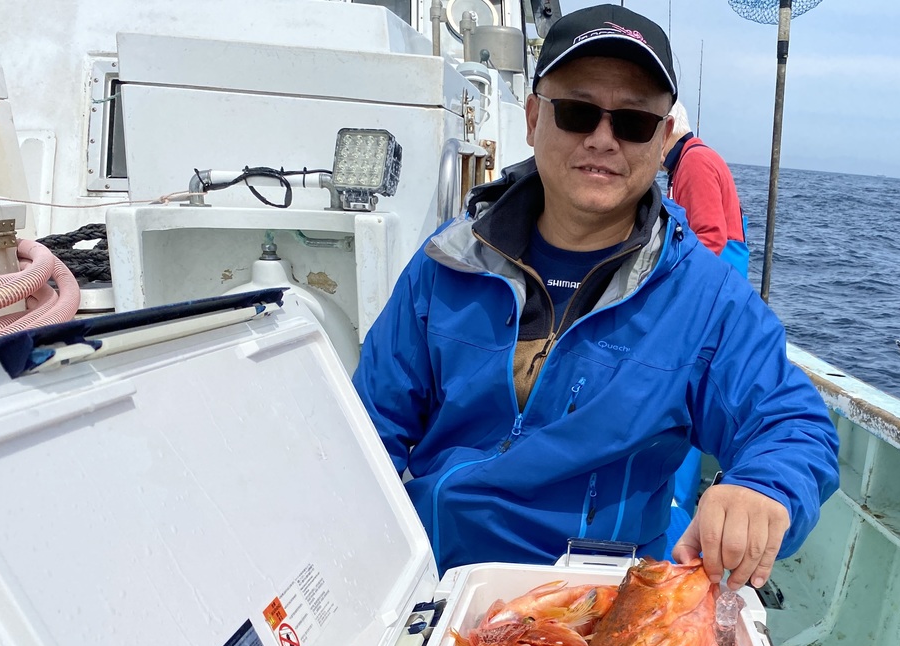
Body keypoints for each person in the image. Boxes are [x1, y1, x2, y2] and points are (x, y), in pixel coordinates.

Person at [352, 3, 838, 592]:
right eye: (578, 112)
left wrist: (763, 487)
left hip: (599, 605)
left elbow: (792, 422)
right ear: (534, 118)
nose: (603, 139)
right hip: (438, 579)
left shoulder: (707, 301)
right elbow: (367, 427)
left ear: (663, 139)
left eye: (633, 122)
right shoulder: (447, 263)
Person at [659, 100, 751, 548]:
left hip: (707, 306)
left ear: (668, 131)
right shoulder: (696, 161)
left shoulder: (693, 165)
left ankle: (673, 513)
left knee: (680, 396)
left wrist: (677, 301)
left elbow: (710, 238)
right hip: (722, 297)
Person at [662, 101, 750, 276]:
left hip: (714, 280)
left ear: (666, 130)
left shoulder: (694, 161)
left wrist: (676, 282)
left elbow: (711, 237)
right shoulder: (693, 158)